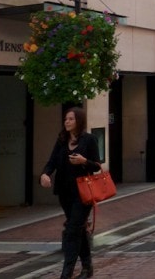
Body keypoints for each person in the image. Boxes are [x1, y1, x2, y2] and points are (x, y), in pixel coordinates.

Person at [40, 107, 101, 279]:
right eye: (66, 119)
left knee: (72, 231)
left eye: (71, 119)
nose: (66, 122)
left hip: (83, 193)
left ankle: (66, 273)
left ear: (79, 121)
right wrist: (45, 174)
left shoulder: (89, 140)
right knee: (78, 229)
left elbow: (96, 166)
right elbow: (51, 162)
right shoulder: (61, 140)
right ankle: (87, 267)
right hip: (64, 192)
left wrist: (83, 161)